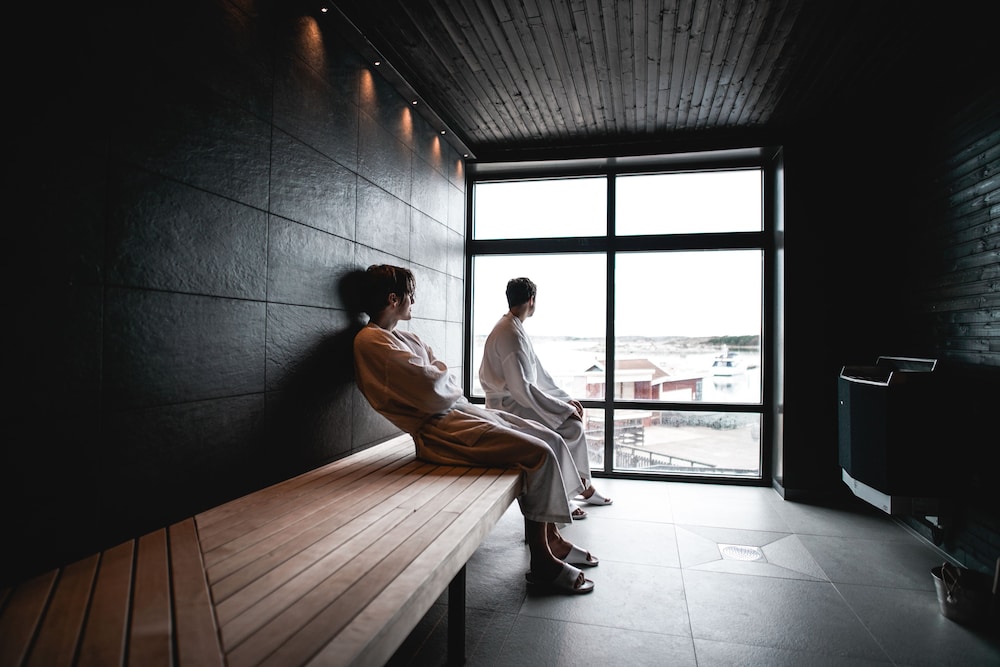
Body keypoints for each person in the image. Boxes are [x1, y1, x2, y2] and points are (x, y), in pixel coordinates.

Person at [352, 264, 598, 594]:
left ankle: (552, 538)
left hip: (457, 414)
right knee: (537, 453)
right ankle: (542, 560)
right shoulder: (369, 342)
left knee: (550, 438)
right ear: (393, 299)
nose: (414, 300)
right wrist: (440, 378)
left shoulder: (404, 338)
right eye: (410, 294)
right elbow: (432, 387)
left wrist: (440, 378)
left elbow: (439, 378)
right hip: (440, 433)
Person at [479, 277, 612, 519]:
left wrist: (565, 400)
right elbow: (522, 389)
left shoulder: (513, 327)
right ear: (532, 300)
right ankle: (569, 493)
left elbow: (538, 375)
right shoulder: (510, 333)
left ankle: (582, 486)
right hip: (509, 407)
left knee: (571, 425)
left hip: (518, 400)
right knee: (570, 428)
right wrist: (561, 410)